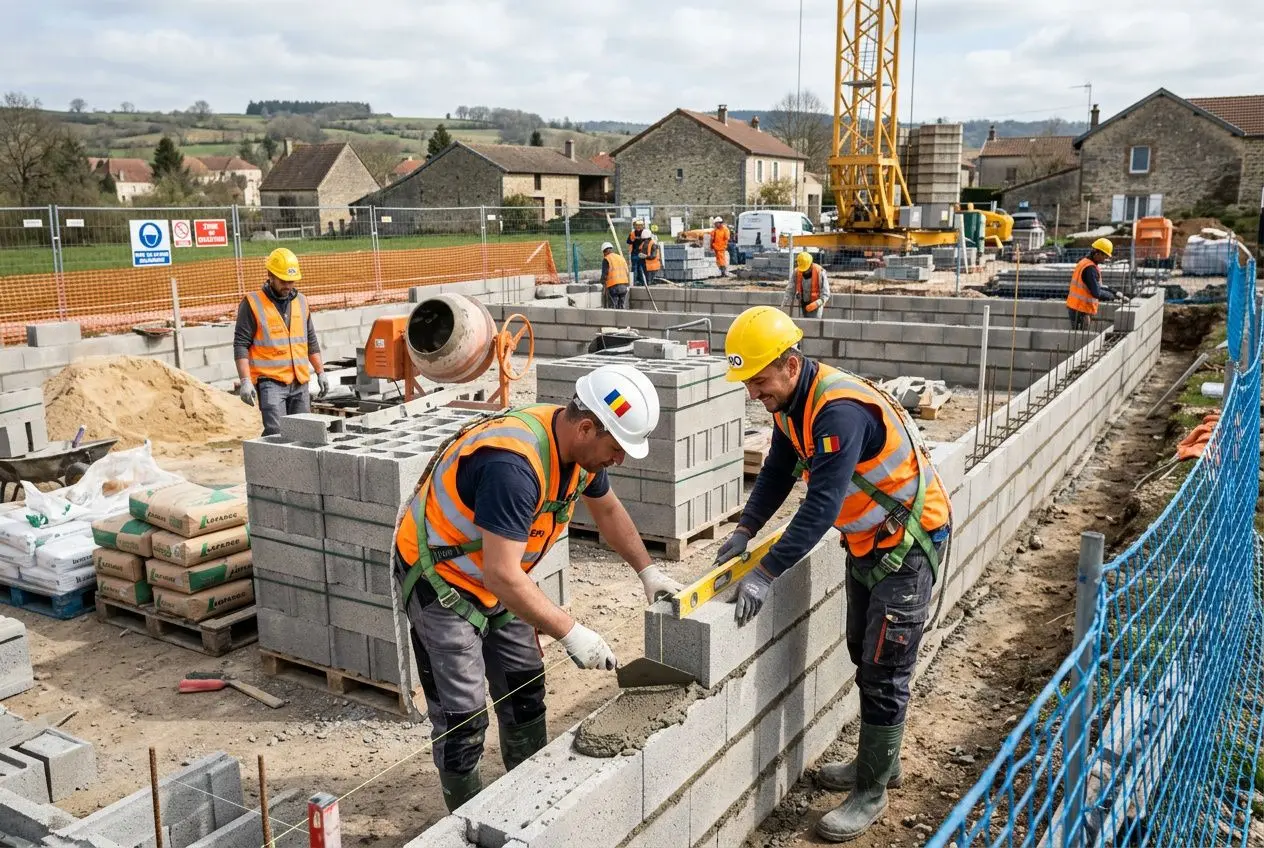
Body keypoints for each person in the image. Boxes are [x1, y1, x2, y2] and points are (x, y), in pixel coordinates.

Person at [393, 363, 683, 811]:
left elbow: (607, 512)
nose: (619, 459)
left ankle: (527, 805)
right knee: (463, 716)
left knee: (524, 686)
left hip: (497, 576)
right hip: (442, 580)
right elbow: (502, 575)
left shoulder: (577, 451)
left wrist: (649, 572)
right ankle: (467, 823)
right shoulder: (513, 465)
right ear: (587, 427)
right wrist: (571, 632)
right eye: (616, 447)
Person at [715, 306, 951, 843]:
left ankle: (872, 790)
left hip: (908, 546)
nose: (753, 392)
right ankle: (879, 764)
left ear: (791, 364)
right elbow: (778, 469)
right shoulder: (790, 407)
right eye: (747, 382)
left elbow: (819, 508)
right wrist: (746, 528)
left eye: (758, 380)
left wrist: (766, 572)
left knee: (885, 666)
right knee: (860, 653)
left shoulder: (838, 412)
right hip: (869, 543)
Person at [233, 247, 330, 436]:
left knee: (304, 434)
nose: (288, 285)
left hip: (300, 382)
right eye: (283, 281)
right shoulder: (252, 303)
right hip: (271, 383)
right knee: (277, 435)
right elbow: (241, 344)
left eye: (291, 281)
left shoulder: (301, 301)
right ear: (270, 275)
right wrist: (245, 381)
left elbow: (310, 340)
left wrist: (321, 372)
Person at [1067, 237, 1113, 331]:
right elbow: (1096, 292)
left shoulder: (1084, 262)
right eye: (1105, 256)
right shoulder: (1090, 269)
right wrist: (1111, 296)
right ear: (1098, 253)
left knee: (1078, 338)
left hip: (1076, 307)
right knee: (1081, 340)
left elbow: (1096, 286)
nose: (1106, 259)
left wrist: (1114, 292)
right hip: (1081, 311)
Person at [783, 251, 830, 316]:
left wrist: (816, 304)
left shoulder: (820, 272)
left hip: (815, 306)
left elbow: (826, 294)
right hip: (803, 304)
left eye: (806, 269)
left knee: (813, 325)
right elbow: (790, 289)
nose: (804, 271)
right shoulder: (797, 272)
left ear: (811, 264)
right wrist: (784, 305)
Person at [600, 242, 631, 310]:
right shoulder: (620, 257)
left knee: (614, 307)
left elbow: (605, 273)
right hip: (624, 285)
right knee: (622, 306)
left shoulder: (607, 259)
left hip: (613, 286)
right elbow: (627, 271)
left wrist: (602, 282)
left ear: (604, 251)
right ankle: (622, 319)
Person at [627, 218, 649, 289]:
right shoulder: (632, 233)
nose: (638, 227)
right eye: (637, 225)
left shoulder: (644, 233)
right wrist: (634, 239)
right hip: (635, 253)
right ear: (634, 226)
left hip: (641, 253)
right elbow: (629, 242)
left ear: (642, 226)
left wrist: (638, 239)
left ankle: (641, 281)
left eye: (640, 225)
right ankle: (635, 281)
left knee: (640, 268)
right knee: (635, 268)